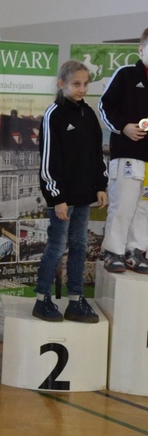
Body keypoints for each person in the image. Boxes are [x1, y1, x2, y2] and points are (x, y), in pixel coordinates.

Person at [33, 60, 108, 322]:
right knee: (56, 247)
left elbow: (97, 154)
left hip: (84, 197)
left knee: (80, 245)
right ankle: (42, 299)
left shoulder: (88, 114)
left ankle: (75, 299)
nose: (82, 89)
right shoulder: (54, 114)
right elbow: (48, 161)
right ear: (62, 83)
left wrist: (100, 185)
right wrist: (57, 198)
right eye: (76, 84)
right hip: (63, 199)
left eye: (86, 84)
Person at [99, 29, 148, 274]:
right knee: (123, 204)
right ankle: (113, 251)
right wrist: (123, 127)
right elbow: (104, 106)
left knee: (145, 207)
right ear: (141, 49)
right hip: (128, 153)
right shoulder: (127, 74)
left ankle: (135, 250)